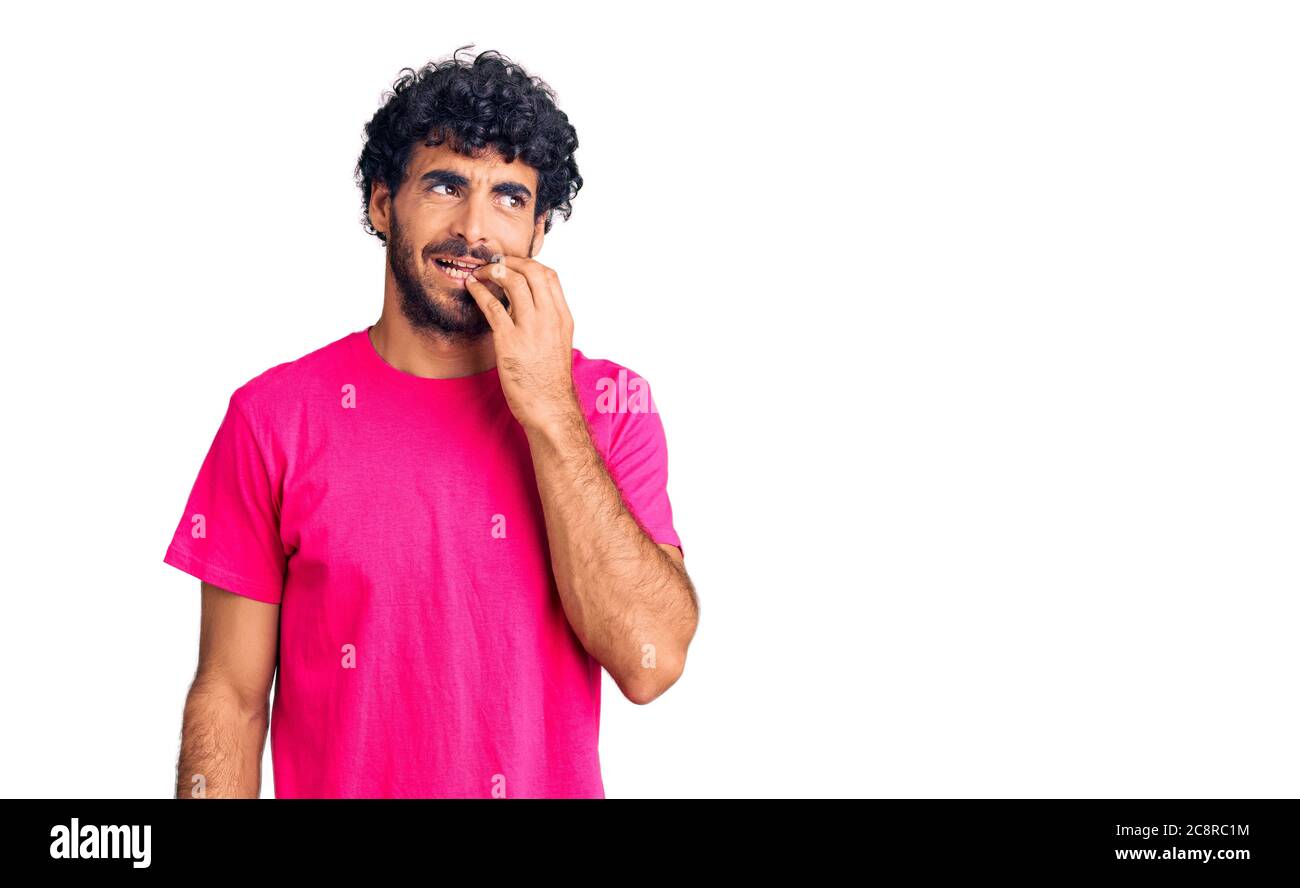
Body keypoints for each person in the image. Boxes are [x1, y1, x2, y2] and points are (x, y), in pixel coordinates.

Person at [163, 47, 698, 799]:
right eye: (446, 185)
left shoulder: (608, 409)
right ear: (383, 202)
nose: (475, 229)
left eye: (510, 197)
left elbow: (651, 664)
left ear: (539, 231)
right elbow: (231, 696)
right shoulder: (274, 417)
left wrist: (548, 408)